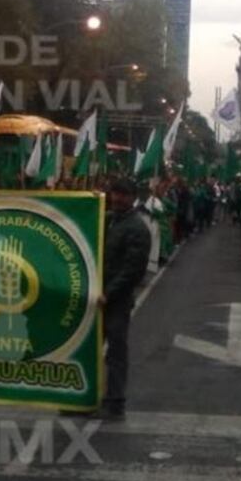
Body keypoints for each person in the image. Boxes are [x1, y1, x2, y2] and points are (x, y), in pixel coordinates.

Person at [100, 177, 151, 420]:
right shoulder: (108, 220)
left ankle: (115, 402)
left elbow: (133, 270)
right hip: (97, 298)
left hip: (116, 301)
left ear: (133, 197)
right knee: (89, 349)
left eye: (123, 194)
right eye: (115, 193)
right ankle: (85, 397)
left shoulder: (137, 228)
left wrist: (108, 293)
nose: (117, 198)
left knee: (116, 352)